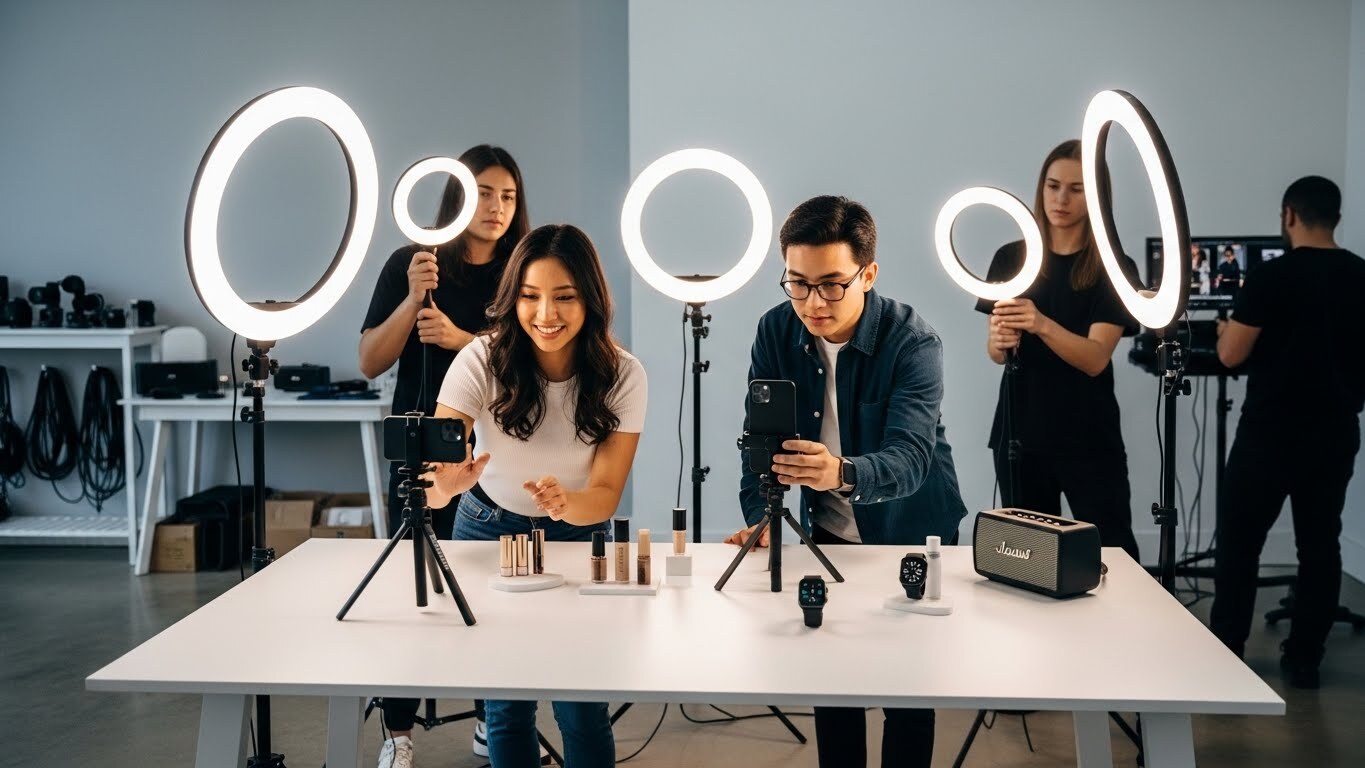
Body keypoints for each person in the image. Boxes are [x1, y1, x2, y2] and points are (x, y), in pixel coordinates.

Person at [725, 195, 966, 768]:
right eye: (797, 283)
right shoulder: (776, 331)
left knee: (908, 694)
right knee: (833, 685)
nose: (813, 302)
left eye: (831, 284)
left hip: (911, 530)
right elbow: (758, 441)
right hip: (827, 534)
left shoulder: (914, 342)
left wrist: (840, 472)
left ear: (869, 273)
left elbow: (911, 458)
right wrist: (762, 518)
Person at [427, 224, 647, 767]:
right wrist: (446, 486)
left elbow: (606, 495)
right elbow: (431, 485)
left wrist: (565, 505)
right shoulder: (479, 359)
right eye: (529, 296)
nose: (545, 313)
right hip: (487, 528)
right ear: (512, 299)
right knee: (504, 706)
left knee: (582, 705)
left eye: (564, 297)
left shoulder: (624, 374)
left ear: (591, 301)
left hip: (577, 534)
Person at [358, 145, 529, 767]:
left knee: (487, 582)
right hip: (418, 439)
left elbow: (539, 353)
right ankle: (398, 732)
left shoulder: (524, 267)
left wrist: (466, 342)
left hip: (496, 444)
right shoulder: (412, 261)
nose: (497, 208)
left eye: (508, 196)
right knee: (415, 589)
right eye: (485, 193)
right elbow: (370, 360)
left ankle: (493, 720)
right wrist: (412, 300)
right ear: (458, 195)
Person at [1210, 175, 1365, 689]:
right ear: (1336, 218)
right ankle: (1304, 660)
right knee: (1320, 547)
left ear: (1288, 215)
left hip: (1269, 434)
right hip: (1335, 431)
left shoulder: (1271, 278)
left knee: (1240, 545)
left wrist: (1225, 329)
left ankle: (1228, 651)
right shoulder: (1362, 277)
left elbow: (1232, 354)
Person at [976, 138, 1141, 562]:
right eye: (1052, 186)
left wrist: (1042, 324)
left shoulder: (1113, 267)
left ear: (1097, 196)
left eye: (1076, 188)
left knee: (1112, 555)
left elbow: (1095, 358)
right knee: (1028, 558)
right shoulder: (1012, 258)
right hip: (1020, 433)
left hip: (1088, 436)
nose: (1060, 199)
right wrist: (998, 343)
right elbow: (998, 354)